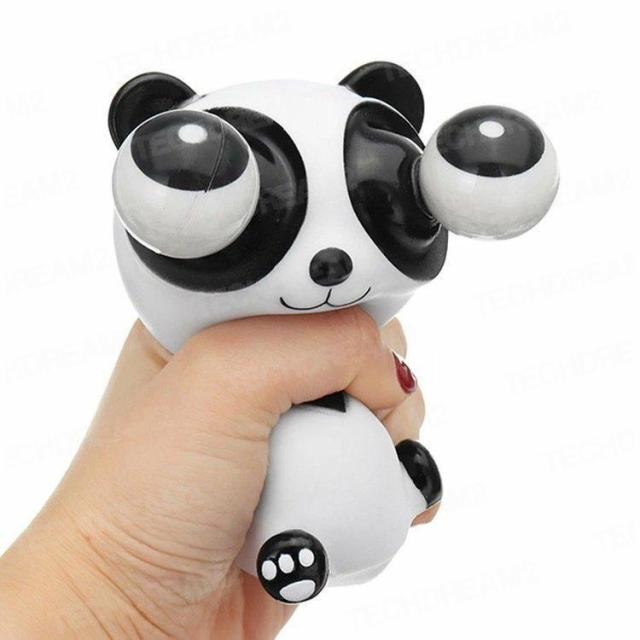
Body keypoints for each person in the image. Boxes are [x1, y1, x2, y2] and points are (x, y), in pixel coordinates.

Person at [0, 309, 437, 638]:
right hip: (295, 537)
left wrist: (106, 599)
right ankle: (299, 554)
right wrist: (111, 591)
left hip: (373, 503)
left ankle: (408, 489)